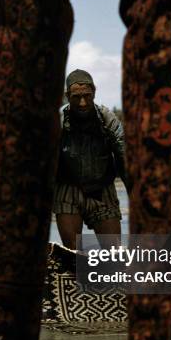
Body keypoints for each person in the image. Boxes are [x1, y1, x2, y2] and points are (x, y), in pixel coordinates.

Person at [53, 69, 127, 249]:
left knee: (114, 252)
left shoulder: (106, 118)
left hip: (102, 189)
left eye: (87, 95)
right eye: (76, 97)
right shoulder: (59, 120)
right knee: (71, 253)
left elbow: (124, 156)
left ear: (94, 92)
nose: (83, 102)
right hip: (68, 188)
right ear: (67, 96)